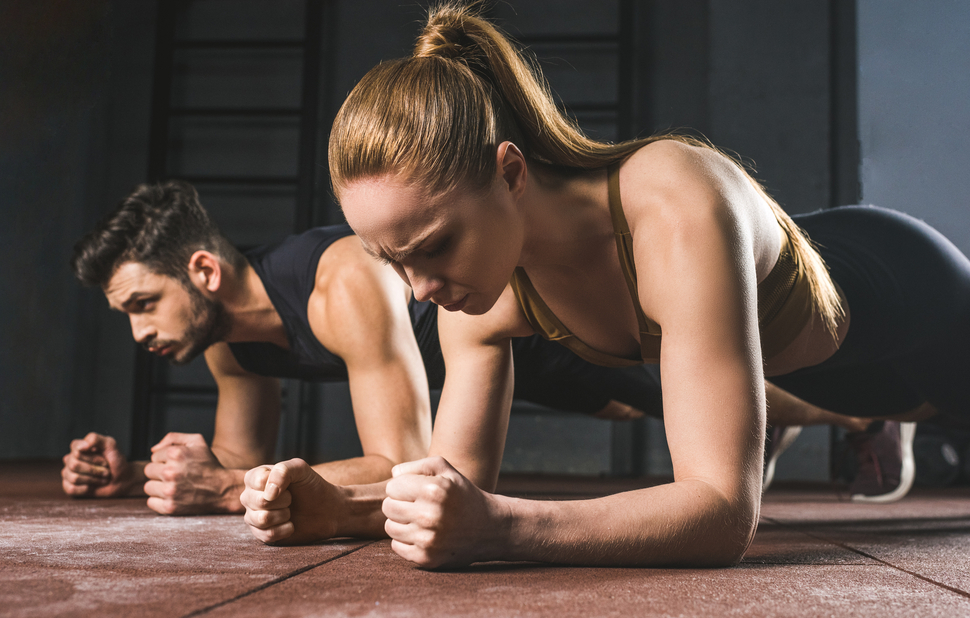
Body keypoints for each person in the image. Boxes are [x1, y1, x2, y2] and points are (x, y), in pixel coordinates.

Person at [243, 4, 970, 565]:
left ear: (510, 173)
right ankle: (884, 418)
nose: (416, 288)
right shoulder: (477, 299)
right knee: (903, 402)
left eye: (433, 246)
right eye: (392, 260)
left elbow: (720, 514)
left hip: (905, 292)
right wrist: (338, 508)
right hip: (830, 375)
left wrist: (504, 527)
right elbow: (455, 490)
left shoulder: (670, 201)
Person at [62, 180, 667, 515]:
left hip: (525, 326)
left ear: (204, 272)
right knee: (619, 408)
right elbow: (238, 458)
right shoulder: (226, 339)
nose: (140, 334)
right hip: (473, 369)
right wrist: (140, 473)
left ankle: (766, 412)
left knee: (669, 393)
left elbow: (400, 462)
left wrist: (223, 490)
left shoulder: (339, 284)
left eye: (144, 305)